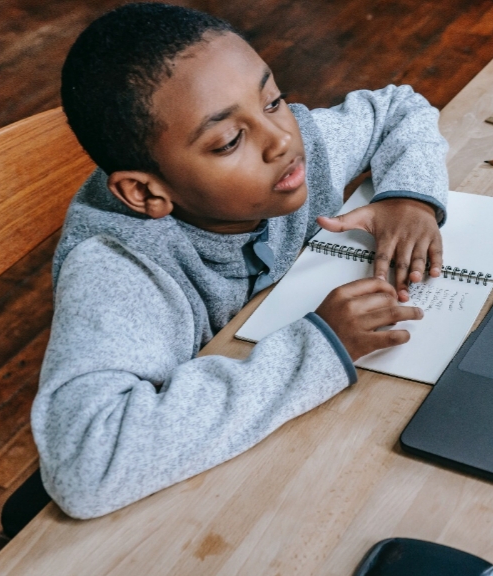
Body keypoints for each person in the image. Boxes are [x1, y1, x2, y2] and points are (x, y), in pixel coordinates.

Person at [29, 2, 449, 521]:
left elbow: (398, 108)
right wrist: (319, 347)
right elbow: (84, 467)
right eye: (229, 141)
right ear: (145, 192)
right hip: (178, 503)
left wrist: (410, 199)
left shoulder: (296, 153)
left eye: (273, 100)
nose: (281, 141)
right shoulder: (119, 266)